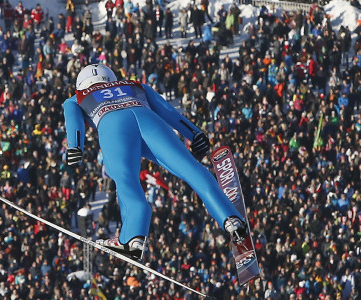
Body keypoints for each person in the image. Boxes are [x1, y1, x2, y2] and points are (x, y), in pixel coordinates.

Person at [62, 64, 248, 259]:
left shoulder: (79, 95)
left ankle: (133, 237)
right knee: (191, 169)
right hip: (148, 119)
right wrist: (194, 133)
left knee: (126, 180)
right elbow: (168, 110)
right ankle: (230, 218)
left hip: (112, 123)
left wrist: (75, 146)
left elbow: (72, 115)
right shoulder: (135, 85)